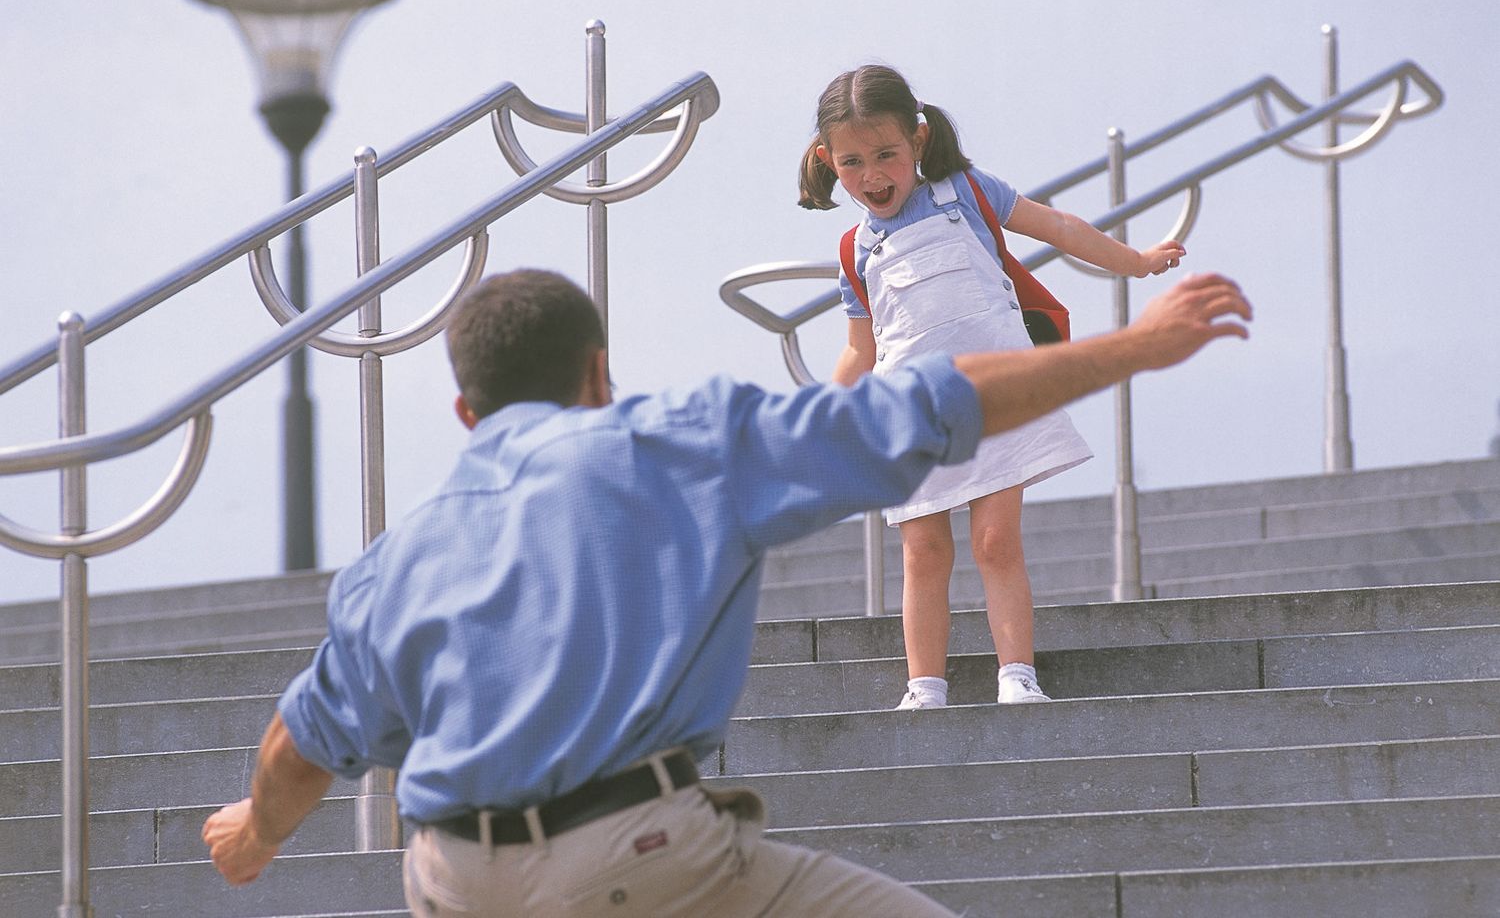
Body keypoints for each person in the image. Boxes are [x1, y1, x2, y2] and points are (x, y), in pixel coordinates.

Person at [202, 266, 1251, 916]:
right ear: (599, 372)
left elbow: (298, 749)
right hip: (641, 860)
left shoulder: (396, 559)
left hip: (451, 880)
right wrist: (1140, 343)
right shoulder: (682, 443)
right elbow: (929, 403)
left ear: (465, 409)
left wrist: (255, 831)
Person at [799, 64, 1187, 709]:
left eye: (887, 155)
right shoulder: (854, 250)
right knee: (923, 550)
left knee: (995, 541)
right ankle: (924, 686)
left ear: (918, 142)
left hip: (995, 400)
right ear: (826, 160)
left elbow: (1059, 229)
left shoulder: (968, 193)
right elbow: (860, 348)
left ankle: (1017, 675)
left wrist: (1136, 262)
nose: (872, 176)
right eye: (852, 161)